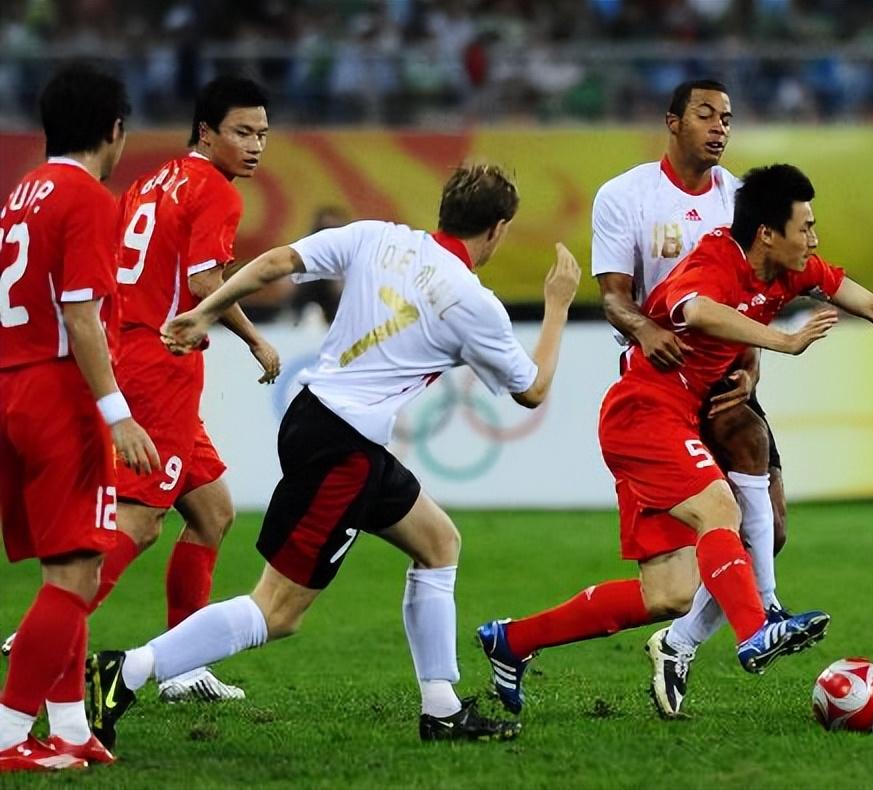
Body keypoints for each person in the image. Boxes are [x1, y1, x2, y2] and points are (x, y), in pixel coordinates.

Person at [86, 164, 581, 749]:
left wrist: (205, 310)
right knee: (277, 610)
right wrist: (557, 305)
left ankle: (442, 708)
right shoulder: (472, 302)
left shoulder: (378, 236)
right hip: (344, 449)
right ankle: (126, 671)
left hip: (319, 421)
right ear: (497, 229)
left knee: (438, 543)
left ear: (446, 209)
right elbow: (533, 389)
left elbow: (276, 262)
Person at [478, 163, 873, 717]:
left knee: (669, 594)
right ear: (767, 233)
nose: (814, 240)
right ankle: (758, 626)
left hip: (683, 416)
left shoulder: (794, 270)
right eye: (805, 227)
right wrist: (783, 341)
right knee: (723, 511)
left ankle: (513, 640)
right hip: (644, 413)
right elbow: (696, 309)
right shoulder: (715, 260)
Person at [590, 77, 795, 717]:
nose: (719, 126)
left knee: (770, 531)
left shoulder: (738, 198)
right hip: (661, 385)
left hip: (726, 381)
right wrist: (646, 329)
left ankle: (685, 643)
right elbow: (613, 296)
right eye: (706, 114)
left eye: (727, 117)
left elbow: (752, 290)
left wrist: (752, 367)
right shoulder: (625, 195)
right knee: (674, 583)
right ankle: (712, 632)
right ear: (672, 121)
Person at [88, 76, 279, 706]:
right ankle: (48, 627)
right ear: (207, 131)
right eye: (242, 132)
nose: (255, 146)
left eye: (262, 133)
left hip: (134, 351)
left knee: (212, 511)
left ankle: (182, 667)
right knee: (141, 519)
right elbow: (204, 283)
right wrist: (255, 339)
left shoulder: (149, 182)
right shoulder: (215, 191)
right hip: (164, 360)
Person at [0, 64, 159, 772]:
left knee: (70, 568)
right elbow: (81, 314)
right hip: (60, 394)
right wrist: (117, 413)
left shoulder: (21, 194)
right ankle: (7, 733)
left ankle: (67, 727)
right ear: (115, 129)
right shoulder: (89, 198)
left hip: (13, 382)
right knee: (75, 577)